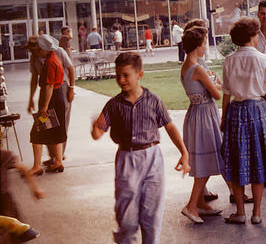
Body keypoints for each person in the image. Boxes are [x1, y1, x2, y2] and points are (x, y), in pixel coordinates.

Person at [91, 52, 190, 244]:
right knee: (126, 217)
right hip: (127, 159)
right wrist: (94, 125)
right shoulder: (113, 105)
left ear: (139, 74)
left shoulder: (153, 100)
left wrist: (184, 153)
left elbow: (169, 126)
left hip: (153, 158)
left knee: (152, 215)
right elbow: (97, 133)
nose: (121, 79)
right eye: (117, 74)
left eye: (126, 75)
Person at [221, 17, 266, 225]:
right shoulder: (263, 59)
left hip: (236, 112)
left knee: (237, 160)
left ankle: (240, 212)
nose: (258, 37)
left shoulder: (229, 60)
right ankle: (257, 213)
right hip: (258, 110)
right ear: (251, 36)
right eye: (256, 34)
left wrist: (223, 117)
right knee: (259, 161)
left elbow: (226, 94)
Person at [179, 26, 224, 224]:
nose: (206, 47)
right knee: (205, 162)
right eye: (204, 43)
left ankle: (201, 204)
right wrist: (218, 84)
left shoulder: (187, 64)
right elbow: (217, 94)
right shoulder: (197, 68)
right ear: (198, 45)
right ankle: (191, 206)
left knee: (204, 161)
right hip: (205, 114)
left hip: (196, 113)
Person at [26, 34, 75, 167]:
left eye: (36, 49)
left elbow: (49, 85)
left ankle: (41, 165)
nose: (34, 52)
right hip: (52, 94)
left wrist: (44, 107)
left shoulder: (52, 60)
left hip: (55, 93)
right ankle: (56, 160)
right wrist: (32, 99)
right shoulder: (50, 58)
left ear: (43, 48)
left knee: (40, 129)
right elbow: (36, 80)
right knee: (54, 126)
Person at [1, 149, 45, 243]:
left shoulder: (3, 155)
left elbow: (23, 168)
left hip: (4, 201)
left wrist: (35, 188)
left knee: (13, 233)